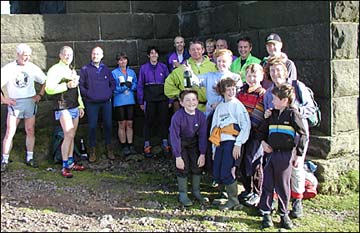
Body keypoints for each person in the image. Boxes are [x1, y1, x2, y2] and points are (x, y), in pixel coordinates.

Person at [263, 58, 315, 219]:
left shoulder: (298, 87)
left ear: (285, 72)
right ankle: (275, 199)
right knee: (276, 169)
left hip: (296, 133)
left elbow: (311, 107)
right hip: (277, 136)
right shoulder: (269, 93)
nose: (275, 73)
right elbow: (268, 115)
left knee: (296, 167)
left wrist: (293, 110)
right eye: (272, 71)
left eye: (278, 70)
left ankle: (297, 200)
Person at [257, 83, 308, 230]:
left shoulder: (293, 114)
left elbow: (303, 134)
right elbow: (261, 131)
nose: (272, 102)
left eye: (275, 99)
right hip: (270, 154)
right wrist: (263, 143)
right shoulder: (271, 114)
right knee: (267, 183)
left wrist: (298, 154)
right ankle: (266, 213)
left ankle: (283, 213)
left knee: (283, 185)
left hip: (285, 155)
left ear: (285, 100)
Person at [1, 43, 47, 172]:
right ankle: (4, 160)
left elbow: (44, 81)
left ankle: (30, 157)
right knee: (10, 132)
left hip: (29, 102)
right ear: (18, 54)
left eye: (28, 56)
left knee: (30, 129)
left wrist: (40, 95)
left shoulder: (32, 68)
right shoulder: (9, 68)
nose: (26, 58)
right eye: (24, 55)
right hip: (15, 103)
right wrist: (4, 99)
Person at [209, 77, 251, 210]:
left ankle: (234, 200)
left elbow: (245, 125)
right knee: (218, 170)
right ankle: (224, 195)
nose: (231, 92)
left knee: (228, 170)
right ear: (222, 91)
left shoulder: (237, 105)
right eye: (228, 89)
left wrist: (238, 143)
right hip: (220, 142)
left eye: (233, 89)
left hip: (232, 142)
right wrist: (214, 149)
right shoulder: (220, 107)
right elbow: (214, 128)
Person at [45, 46, 86, 178]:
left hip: (74, 106)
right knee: (68, 134)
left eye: (70, 54)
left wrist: (81, 105)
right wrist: (65, 86)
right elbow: (49, 89)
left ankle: (70, 162)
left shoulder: (71, 69)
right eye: (65, 54)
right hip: (62, 106)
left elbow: (77, 89)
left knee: (72, 135)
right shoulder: (54, 70)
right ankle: (64, 166)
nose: (68, 57)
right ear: (60, 55)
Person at [169, 89, 208, 206]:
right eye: (187, 100)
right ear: (181, 103)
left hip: (193, 142)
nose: (191, 103)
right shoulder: (177, 116)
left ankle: (196, 191)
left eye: (194, 99)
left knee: (197, 165)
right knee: (183, 167)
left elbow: (202, 135)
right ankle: (183, 194)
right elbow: (174, 137)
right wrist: (178, 156)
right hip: (180, 142)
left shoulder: (201, 116)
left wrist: (202, 153)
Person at [236, 63, 266, 207]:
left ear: (261, 76)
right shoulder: (241, 92)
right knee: (242, 162)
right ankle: (247, 189)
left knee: (254, 161)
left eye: (255, 75)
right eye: (249, 75)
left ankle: (257, 192)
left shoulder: (262, 94)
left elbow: (258, 115)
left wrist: (248, 125)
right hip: (241, 132)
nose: (251, 78)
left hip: (254, 133)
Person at [79, 46, 116, 163]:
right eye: (94, 54)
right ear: (91, 55)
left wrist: (109, 93)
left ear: (102, 56)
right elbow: (81, 86)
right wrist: (88, 94)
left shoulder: (106, 69)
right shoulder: (85, 69)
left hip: (106, 102)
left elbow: (113, 83)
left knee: (109, 125)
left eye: (98, 54)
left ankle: (109, 147)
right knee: (92, 126)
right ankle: (92, 150)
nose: (95, 56)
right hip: (91, 103)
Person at [164, 40, 217, 113]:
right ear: (189, 51)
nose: (196, 51)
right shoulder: (182, 68)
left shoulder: (213, 67)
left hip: (211, 108)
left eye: (198, 49)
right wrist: (181, 95)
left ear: (203, 50)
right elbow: (168, 86)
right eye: (193, 49)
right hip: (191, 109)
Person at [137, 46, 171, 158]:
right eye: (151, 53)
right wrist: (141, 101)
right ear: (148, 55)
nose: (153, 55)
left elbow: (169, 83)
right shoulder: (143, 68)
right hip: (149, 98)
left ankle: (165, 143)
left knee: (163, 120)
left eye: (155, 53)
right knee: (148, 121)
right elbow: (140, 85)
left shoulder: (164, 67)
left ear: (158, 55)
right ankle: (147, 145)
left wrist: (170, 99)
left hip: (162, 98)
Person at [111, 52, 138, 157]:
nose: (123, 62)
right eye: (120, 60)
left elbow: (136, 84)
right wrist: (123, 87)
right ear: (118, 62)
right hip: (119, 102)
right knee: (122, 124)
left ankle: (130, 144)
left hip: (130, 101)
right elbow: (113, 88)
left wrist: (131, 86)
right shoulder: (114, 73)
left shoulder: (131, 72)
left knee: (130, 123)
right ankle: (124, 145)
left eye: (124, 59)